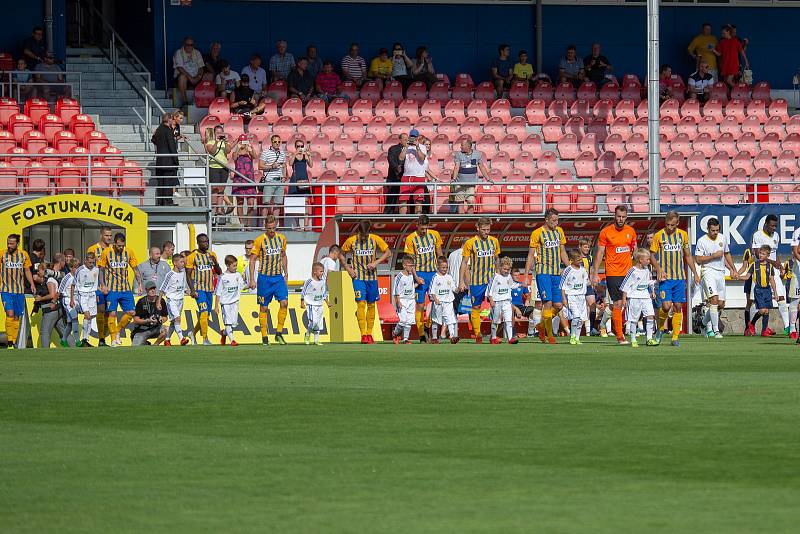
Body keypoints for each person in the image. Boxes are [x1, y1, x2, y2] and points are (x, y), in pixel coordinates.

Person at [650, 211, 700, 347]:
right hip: (665, 278)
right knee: (666, 306)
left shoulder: (683, 235)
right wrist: (659, 269)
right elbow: (651, 255)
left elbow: (688, 255)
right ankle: (660, 330)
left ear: (677, 223)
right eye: (667, 224)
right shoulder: (659, 235)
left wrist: (695, 273)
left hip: (679, 278)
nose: (670, 227)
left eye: (672, 225)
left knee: (678, 307)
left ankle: (675, 337)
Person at [592, 205, 637, 344]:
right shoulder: (606, 232)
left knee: (628, 304)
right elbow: (599, 253)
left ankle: (605, 324)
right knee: (617, 303)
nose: (621, 219)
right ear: (614, 216)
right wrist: (594, 272)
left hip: (629, 274)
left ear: (626, 217)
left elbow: (635, 251)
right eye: (618, 216)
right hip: (613, 273)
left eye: (623, 217)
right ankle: (620, 336)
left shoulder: (631, 232)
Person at [341, 221, 391, 344]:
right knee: (361, 304)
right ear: (358, 232)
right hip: (358, 277)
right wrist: (348, 269)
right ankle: (363, 334)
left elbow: (388, 253)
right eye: (362, 235)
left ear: (369, 232)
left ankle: (369, 334)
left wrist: (376, 262)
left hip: (372, 278)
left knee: (371, 305)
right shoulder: (351, 241)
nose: (364, 237)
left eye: (366, 235)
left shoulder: (375, 239)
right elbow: (341, 254)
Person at [525, 208, 569, 344]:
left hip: (556, 273)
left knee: (559, 305)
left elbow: (562, 251)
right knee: (547, 303)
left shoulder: (559, 232)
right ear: (547, 220)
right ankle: (550, 336)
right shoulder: (537, 233)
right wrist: (526, 274)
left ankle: (541, 327)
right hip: (543, 272)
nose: (556, 223)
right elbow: (531, 255)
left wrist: (569, 269)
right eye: (554, 220)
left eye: (558, 220)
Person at [742, 214, 786, 336]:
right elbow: (756, 255)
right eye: (772, 225)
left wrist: (779, 265)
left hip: (768, 275)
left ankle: (764, 329)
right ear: (766, 224)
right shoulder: (757, 236)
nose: (774, 228)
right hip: (755, 275)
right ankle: (748, 327)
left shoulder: (776, 236)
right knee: (750, 301)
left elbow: (775, 254)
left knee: (767, 306)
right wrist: (737, 274)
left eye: (775, 226)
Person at [695, 218, 738, 339]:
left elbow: (727, 254)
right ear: (708, 229)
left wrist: (733, 269)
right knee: (713, 300)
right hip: (708, 271)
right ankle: (716, 331)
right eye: (713, 230)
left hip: (720, 273)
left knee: (721, 304)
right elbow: (698, 260)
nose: (715, 232)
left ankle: (702, 324)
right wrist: (713, 256)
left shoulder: (722, 238)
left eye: (717, 230)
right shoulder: (702, 241)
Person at [459, 217, 501, 343]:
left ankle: (493, 336)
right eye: (484, 229)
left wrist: (498, 275)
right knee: (476, 306)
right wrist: (461, 281)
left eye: (488, 229)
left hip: (491, 281)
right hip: (476, 281)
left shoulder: (494, 241)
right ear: (477, 228)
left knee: (496, 306)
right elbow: (464, 263)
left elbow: (496, 259)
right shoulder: (470, 243)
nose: (486, 232)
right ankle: (478, 334)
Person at [250, 216, 290, 345]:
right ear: (265, 226)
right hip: (264, 279)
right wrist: (252, 279)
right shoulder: (259, 240)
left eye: (273, 228)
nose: (271, 231)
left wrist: (286, 273)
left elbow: (283, 256)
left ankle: (278, 333)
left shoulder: (281, 239)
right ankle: (264, 337)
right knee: (264, 308)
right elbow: (252, 260)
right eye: (269, 228)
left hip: (278, 277)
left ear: (276, 225)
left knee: (284, 303)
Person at [403, 215, 443, 343]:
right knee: (420, 305)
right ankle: (421, 335)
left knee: (436, 304)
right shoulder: (410, 239)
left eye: (426, 228)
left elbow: (439, 254)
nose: (424, 231)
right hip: (419, 274)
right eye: (422, 228)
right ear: (417, 225)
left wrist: (441, 273)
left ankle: (428, 326)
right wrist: (415, 277)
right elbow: (410, 262)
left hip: (432, 274)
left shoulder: (435, 235)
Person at [98, 233, 141, 347]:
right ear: (114, 243)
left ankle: (117, 331)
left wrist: (140, 284)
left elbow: (135, 269)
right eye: (119, 245)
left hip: (126, 289)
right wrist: (103, 284)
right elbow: (101, 270)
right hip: (112, 289)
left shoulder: (129, 252)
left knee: (132, 312)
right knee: (112, 313)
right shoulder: (106, 252)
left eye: (122, 245)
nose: (121, 248)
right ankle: (113, 339)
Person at [185, 233, 221, 346]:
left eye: (207, 241)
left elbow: (219, 272)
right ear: (198, 243)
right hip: (198, 289)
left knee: (205, 315)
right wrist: (192, 290)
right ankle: (205, 339)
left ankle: (193, 333)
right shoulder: (192, 256)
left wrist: (214, 262)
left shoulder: (212, 255)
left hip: (209, 289)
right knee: (204, 312)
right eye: (203, 242)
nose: (205, 244)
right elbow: (188, 275)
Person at [1, 234, 35, 349]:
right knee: (10, 314)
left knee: (16, 317)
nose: (9, 245)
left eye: (12, 243)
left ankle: (14, 342)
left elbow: (27, 270)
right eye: (8, 243)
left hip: (19, 291)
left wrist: (32, 284)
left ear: (17, 244)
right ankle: (9, 342)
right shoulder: (2, 254)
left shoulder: (23, 255)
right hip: (6, 290)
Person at [621, 249, 658, 347]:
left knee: (650, 315)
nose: (649, 261)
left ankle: (649, 339)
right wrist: (624, 299)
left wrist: (653, 291)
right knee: (634, 319)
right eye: (647, 259)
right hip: (634, 298)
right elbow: (625, 285)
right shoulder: (632, 271)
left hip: (645, 297)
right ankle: (633, 339)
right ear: (640, 260)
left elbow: (649, 281)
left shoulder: (647, 270)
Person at [741, 245, 776, 337]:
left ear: (767, 256)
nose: (760, 255)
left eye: (763, 254)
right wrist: (738, 277)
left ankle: (764, 331)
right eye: (760, 253)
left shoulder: (770, 266)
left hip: (767, 290)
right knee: (762, 310)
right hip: (758, 289)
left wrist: (775, 292)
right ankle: (751, 324)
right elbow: (747, 276)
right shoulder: (754, 265)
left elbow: (772, 279)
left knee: (767, 311)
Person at [451, 138, 492, 214]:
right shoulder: (458, 154)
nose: (460, 147)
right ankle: (461, 222)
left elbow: (481, 167)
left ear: (468, 146)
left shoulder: (477, 154)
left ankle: (470, 221)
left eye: (462, 145)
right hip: (460, 184)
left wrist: (488, 178)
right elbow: (456, 167)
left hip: (471, 184)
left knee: (470, 202)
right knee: (460, 203)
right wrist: (453, 178)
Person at [87, 227, 113, 345]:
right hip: (97, 285)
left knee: (109, 312)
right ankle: (101, 338)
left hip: (112, 284)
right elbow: (89, 266)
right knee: (101, 310)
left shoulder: (113, 248)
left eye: (110, 235)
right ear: (101, 235)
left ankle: (107, 338)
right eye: (106, 235)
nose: (109, 238)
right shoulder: (92, 249)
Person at [558, 249, 590, 345]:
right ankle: (572, 336)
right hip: (571, 296)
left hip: (582, 297)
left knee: (581, 319)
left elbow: (586, 282)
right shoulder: (568, 270)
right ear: (572, 259)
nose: (580, 261)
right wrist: (564, 298)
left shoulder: (583, 270)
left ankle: (577, 338)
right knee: (576, 317)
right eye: (578, 259)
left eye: (581, 259)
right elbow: (562, 285)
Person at [215, 255, 246, 346]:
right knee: (228, 322)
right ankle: (232, 340)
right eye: (234, 266)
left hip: (235, 302)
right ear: (228, 266)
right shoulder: (223, 277)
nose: (236, 268)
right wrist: (216, 306)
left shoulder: (237, 275)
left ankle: (224, 333)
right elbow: (218, 292)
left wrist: (249, 284)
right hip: (225, 303)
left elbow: (242, 286)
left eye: (236, 265)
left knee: (233, 324)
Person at [160, 253, 190, 346]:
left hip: (180, 300)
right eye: (181, 262)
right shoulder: (170, 274)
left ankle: (167, 340)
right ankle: (182, 339)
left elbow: (184, 285)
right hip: (171, 300)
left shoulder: (183, 272)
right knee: (177, 318)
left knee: (174, 322)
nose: (183, 263)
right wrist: (159, 301)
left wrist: (188, 291)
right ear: (175, 263)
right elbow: (163, 288)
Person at [205, 124, 234, 218]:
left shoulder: (225, 142)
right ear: (214, 133)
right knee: (215, 189)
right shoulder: (210, 142)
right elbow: (212, 151)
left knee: (221, 189)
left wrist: (225, 142)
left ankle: (219, 208)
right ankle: (213, 207)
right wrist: (216, 142)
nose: (219, 134)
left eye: (221, 132)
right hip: (214, 167)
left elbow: (228, 151)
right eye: (217, 132)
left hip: (224, 167)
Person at [37, 259, 67, 348]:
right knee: (63, 331)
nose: (38, 273)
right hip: (57, 309)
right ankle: (74, 348)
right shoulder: (51, 279)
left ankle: (45, 352)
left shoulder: (49, 280)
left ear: (44, 270)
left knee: (45, 331)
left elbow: (52, 294)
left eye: (39, 270)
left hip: (51, 309)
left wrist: (40, 298)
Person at [488, 256, 518, 345]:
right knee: (495, 320)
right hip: (497, 302)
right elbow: (489, 290)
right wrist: (491, 300)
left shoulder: (509, 276)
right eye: (504, 269)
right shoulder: (495, 277)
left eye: (508, 269)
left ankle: (510, 338)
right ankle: (493, 337)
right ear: (500, 267)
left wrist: (521, 285)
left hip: (507, 301)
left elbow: (512, 286)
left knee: (508, 320)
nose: (506, 271)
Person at [231, 134, 258, 229]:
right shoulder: (236, 152)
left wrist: (250, 147)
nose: (243, 143)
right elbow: (234, 158)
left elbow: (255, 156)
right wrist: (238, 148)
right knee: (240, 203)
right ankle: (242, 223)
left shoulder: (249, 151)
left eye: (244, 141)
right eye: (241, 141)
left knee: (251, 203)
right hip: (239, 179)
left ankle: (248, 223)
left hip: (249, 179)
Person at [429, 256, 458, 344]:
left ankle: (452, 337)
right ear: (438, 266)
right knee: (436, 319)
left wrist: (458, 289)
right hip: (438, 302)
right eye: (443, 267)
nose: (445, 269)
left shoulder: (449, 277)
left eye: (446, 267)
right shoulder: (435, 277)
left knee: (450, 319)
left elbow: (453, 288)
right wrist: (435, 299)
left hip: (448, 301)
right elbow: (431, 290)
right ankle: (434, 337)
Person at [152, 113, 179, 207]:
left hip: (160, 160)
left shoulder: (159, 129)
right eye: (171, 119)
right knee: (168, 181)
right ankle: (168, 202)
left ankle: (161, 202)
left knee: (161, 182)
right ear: (169, 120)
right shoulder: (168, 130)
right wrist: (176, 161)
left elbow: (153, 140)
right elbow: (172, 146)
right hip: (168, 161)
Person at [287, 137, 314, 230]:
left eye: (301, 146)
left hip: (304, 180)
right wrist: (295, 154)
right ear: (295, 147)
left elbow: (311, 165)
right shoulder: (293, 155)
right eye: (298, 146)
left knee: (306, 202)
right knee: (296, 203)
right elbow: (290, 163)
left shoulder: (305, 155)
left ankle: (306, 225)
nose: (300, 147)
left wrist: (309, 155)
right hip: (295, 180)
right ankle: (297, 224)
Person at [398, 129, 428, 215]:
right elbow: (400, 158)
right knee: (403, 200)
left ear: (418, 137)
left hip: (418, 176)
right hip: (406, 176)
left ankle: (418, 221)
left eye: (414, 137)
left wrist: (417, 147)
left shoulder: (422, 147)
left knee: (418, 200)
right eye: (411, 136)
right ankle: (402, 221)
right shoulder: (406, 147)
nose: (413, 138)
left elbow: (422, 158)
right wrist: (406, 147)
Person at [300, 262, 330, 346]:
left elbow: (324, 293)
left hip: (320, 304)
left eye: (323, 271)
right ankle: (308, 334)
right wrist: (302, 302)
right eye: (320, 271)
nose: (322, 273)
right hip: (311, 305)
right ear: (315, 272)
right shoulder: (309, 281)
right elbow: (303, 292)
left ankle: (316, 340)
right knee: (314, 322)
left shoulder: (323, 282)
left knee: (319, 323)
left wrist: (327, 303)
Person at [131, 281, 168, 346]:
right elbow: (136, 320)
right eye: (150, 289)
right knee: (135, 347)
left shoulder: (161, 300)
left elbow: (165, 317)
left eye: (154, 289)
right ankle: (146, 344)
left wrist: (161, 319)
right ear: (146, 290)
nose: (153, 291)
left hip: (156, 328)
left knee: (167, 329)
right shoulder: (141, 302)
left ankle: (155, 345)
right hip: (142, 330)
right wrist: (148, 320)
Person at [259, 135, 287, 220]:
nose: (277, 143)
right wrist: (271, 166)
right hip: (269, 181)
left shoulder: (282, 153)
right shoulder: (266, 152)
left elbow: (284, 165)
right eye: (275, 141)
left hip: (279, 181)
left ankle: (275, 225)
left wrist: (284, 176)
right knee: (266, 203)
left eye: (279, 142)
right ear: (271, 142)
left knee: (278, 204)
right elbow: (260, 166)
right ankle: (263, 225)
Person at [74, 252, 99, 348]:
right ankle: (84, 339)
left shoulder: (96, 269)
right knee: (87, 316)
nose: (91, 264)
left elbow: (96, 282)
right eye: (89, 262)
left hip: (92, 295)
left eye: (93, 262)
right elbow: (74, 284)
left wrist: (96, 292)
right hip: (83, 295)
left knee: (91, 317)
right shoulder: (80, 270)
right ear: (85, 261)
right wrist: (74, 298)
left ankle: (86, 339)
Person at [392, 255, 418, 345]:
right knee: (403, 320)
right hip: (402, 300)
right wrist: (398, 301)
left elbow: (411, 287)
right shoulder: (399, 276)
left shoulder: (411, 275)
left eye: (412, 265)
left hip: (411, 300)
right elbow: (396, 290)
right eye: (410, 265)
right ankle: (395, 334)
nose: (411, 267)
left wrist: (418, 284)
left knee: (409, 321)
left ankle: (405, 339)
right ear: (404, 265)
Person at [173, 37, 205, 106]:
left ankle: (205, 100)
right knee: (182, 77)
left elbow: (201, 67)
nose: (189, 46)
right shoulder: (178, 52)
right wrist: (191, 79)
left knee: (209, 76)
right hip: (184, 78)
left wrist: (198, 77)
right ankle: (185, 101)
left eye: (191, 45)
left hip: (195, 77)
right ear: (184, 44)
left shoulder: (197, 52)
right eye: (187, 44)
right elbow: (179, 68)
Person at [58, 258, 81, 347]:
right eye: (75, 267)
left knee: (70, 323)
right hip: (67, 300)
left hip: (76, 300)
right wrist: (53, 301)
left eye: (78, 267)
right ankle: (78, 341)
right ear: (71, 268)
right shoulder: (67, 277)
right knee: (75, 319)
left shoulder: (79, 276)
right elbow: (59, 290)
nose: (77, 269)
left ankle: (63, 340)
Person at [511, 267, 539, 339]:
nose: (517, 277)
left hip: (520, 306)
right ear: (511, 276)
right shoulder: (509, 285)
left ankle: (531, 332)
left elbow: (528, 295)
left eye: (518, 275)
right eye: (515, 275)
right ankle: (512, 333)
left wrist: (527, 300)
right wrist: (515, 308)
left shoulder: (522, 285)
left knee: (532, 310)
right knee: (511, 311)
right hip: (510, 306)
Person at [577, 238, 597, 336]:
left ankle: (591, 329)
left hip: (588, 285)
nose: (587, 249)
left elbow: (592, 269)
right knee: (581, 308)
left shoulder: (590, 258)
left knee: (592, 305)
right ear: (580, 247)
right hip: (579, 286)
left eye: (588, 247)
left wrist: (592, 279)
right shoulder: (576, 258)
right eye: (585, 246)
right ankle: (577, 330)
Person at [385, 133, 407, 214]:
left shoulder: (410, 149)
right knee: (391, 199)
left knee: (404, 199)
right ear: (400, 140)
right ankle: (387, 217)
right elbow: (391, 161)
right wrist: (397, 168)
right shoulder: (393, 149)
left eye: (407, 139)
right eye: (404, 139)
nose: (406, 141)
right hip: (393, 178)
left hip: (405, 178)